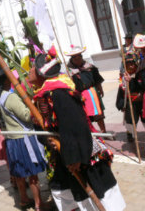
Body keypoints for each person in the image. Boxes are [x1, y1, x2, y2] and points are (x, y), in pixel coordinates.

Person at [28, 52, 126, 211]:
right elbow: (44, 127)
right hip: (63, 154)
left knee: (96, 195)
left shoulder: (59, 93)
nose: (30, 71)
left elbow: (76, 126)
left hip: (79, 154)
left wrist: (75, 159)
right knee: (65, 193)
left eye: (33, 68)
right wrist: (49, 141)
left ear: (41, 73)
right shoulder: (43, 95)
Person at [0, 60, 47, 210]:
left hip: (11, 140)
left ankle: (23, 199)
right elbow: (25, 115)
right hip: (23, 139)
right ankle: (38, 203)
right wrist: (31, 105)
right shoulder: (9, 97)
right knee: (33, 173)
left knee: (19, 172)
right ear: (5, 80)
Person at [65, 45, 108, 136]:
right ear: (72, 59)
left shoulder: (90, 67)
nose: (77, 59)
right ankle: (91, 134)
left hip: (93, 92)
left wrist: (100, 89)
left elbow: (97, 79)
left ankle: (104, 132)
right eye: (75, 57)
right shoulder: (69, 71)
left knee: (99, 114)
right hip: (80, 95)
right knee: (85, 116)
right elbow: (69, 86)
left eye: (79, 56)